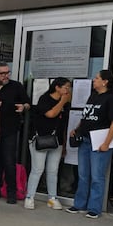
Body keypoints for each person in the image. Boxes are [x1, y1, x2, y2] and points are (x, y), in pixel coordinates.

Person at [66, 70, 113, 219]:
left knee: (97, 176)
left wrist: (107, 143)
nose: (94, 80)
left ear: (105, 82)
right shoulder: (93, 95)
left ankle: (94, 208)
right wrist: (77, 129)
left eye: (97, 78)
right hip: (85, 138)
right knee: (83, 175)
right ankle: (79, 204)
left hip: (99, 141)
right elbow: (87, 115)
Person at [0, 62, 30, 204]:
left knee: (9, 161)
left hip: (10, 128)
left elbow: (28, 103)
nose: (6, 76)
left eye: (7, 73)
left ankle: (12, 191)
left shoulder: (16, 86)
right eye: (2, 73)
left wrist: (23, 107)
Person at [24, 78, 71, 210]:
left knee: (52, 170)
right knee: (38, 169)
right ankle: (30, 196)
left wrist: (64, 144)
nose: (68, 90)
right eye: (66, 87)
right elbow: (50, 114)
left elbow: (64, 125)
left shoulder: (66, 105)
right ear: (57, 87)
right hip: (40, 139)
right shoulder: (44, 99)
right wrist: (62, 101)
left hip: (57, 141)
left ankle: (52, 197)